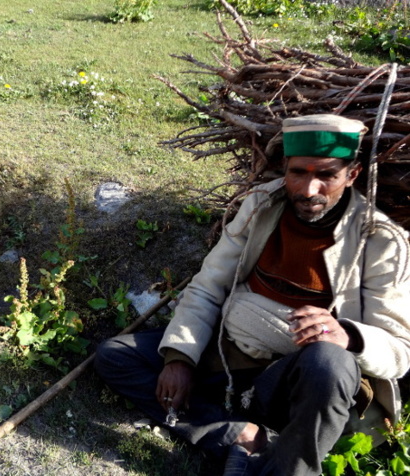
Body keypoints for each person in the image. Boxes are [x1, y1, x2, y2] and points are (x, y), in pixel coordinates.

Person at [95, 114, 410, 475]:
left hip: (295, 386)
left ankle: (287, 469)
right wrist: (179, 357)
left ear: (351, 175)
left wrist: (348, 335)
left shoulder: (381, 240)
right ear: (285, 168)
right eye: (298, 173)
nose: (309, 190)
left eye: (326, 175)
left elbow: (400, 350)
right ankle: (239, 436)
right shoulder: (262, 205)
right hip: (228, 358)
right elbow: (209, 284)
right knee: (116, 356)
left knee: (329, 361)